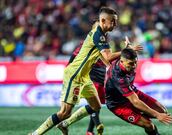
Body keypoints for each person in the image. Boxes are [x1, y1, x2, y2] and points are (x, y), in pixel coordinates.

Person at [29, 7, 142, 135]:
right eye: (113, 21)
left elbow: (106, 60)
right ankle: (35, 134)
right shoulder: (98, 35)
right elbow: (108, 57)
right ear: (103, 21)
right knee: (64, 112)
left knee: (96, 106)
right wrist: (126, 51)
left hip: (85, 76)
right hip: (75, 75)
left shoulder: (102, 35)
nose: (115, 24)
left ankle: (65, 124)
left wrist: (121, 56)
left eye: (116, 22)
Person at [105, 48, 172, 135]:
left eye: (135, 62)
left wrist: (129, 46)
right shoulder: (118, 77)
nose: (134, 66)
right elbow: (135, 101)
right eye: (131, 63)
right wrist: (157, 115)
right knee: (149, 125)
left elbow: (123, 52)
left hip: (131, 91)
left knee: (162, 111)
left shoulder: (124, 58)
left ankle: (141, 114)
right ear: (121, 61)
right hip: (118, 105)